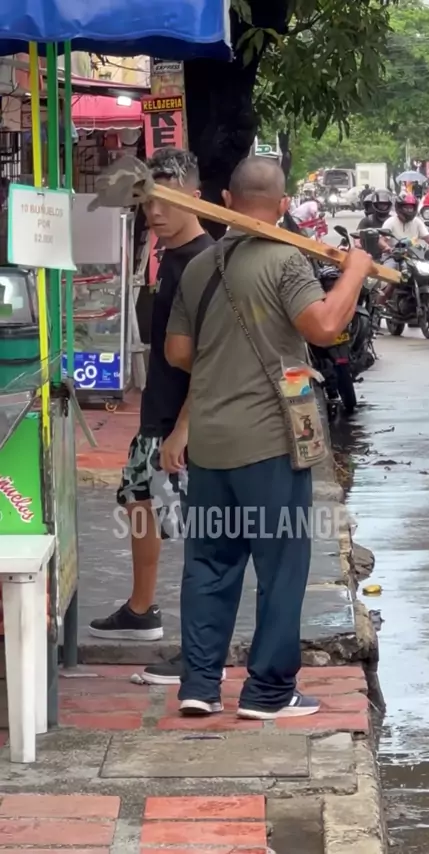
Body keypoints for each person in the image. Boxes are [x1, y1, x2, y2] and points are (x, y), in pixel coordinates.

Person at [165, 156, 372, 720]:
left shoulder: (200, 266)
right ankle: (268, 692)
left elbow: (178, 352)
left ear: (226, 201)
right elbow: (324, 327)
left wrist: (223, 361)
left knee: (209, 564)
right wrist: (356, 270)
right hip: (270, 445)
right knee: (280, 567)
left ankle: (200, 685)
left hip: (210, 445)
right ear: (282, 206)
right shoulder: (286, 259)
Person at [89, 147, 214, 686]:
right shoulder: (171, 258)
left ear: (196, 198)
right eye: (146, 202)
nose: (154, 213)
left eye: (165, 200)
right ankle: (141, 610)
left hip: (190, 424)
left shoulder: (205, 264)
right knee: (139, 503)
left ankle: (198, 652)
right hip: (157, 416)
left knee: (202, 540)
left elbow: (211, 359)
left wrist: (184, 427)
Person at [355, 189, 393, 260]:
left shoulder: (393, 220)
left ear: (389, 205)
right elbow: (357, 236)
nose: (382, 207)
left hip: (390, 254)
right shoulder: (367, 220)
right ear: (375, 205)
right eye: (380, 205)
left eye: (384, 205)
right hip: (369, 255)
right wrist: (358, 245)